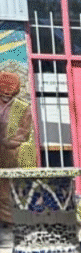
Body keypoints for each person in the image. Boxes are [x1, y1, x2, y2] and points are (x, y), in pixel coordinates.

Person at [1, 71, 34, 226]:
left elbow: (23, 133)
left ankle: (9, 224)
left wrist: (8, 142)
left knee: (6, 192)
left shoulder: (23, 108)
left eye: (10, 94)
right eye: (3, 93)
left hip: (10, 157)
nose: (6, 96)